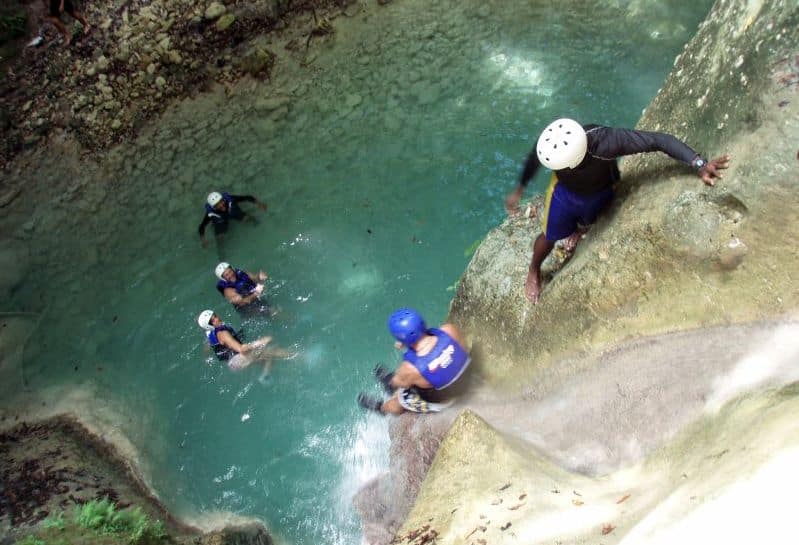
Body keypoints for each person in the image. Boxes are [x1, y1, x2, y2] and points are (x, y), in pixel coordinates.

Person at [504, 118, 731, 304]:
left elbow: (657, 140)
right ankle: (534, 269)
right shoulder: (555, 142)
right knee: (550, 235)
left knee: (589, 219)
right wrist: (519, 188)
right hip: (565, 194)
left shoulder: (606, 141)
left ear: (572, 161)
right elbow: (536, 155)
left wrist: (699, 164)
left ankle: (579, 229)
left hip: (602, 188)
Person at [357, 308, 471, 415]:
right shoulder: (449, 330)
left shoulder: (410, 368)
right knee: (418, 378)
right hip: (467, 380)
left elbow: (398, 382)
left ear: (400, 340)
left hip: (449, 399)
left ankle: (382, 409)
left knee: (401, 397)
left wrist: (407, 346)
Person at [197, 310, 293, 373]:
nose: (217, 319)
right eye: (212, 321)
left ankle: (266, 375)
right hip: (239, 359)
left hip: (232, 363)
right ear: (209, 325)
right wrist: (260, 342)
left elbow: (208, 346)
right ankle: (302, 357)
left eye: (215, 316)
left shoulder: (210, 333)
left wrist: (206, 359)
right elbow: (241, 349)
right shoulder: (223, 333)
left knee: (266, 357)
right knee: (273, 351)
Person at [198, 191, 267, 247]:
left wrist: (259, 203)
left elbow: (246, 197)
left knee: (248, 219)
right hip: (221, 220)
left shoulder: (230, 199)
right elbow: (202, 226)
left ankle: (259, 224)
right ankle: (222, 256)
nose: (221, 206)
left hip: (233, 212)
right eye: (217, 205)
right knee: (220, 240)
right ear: (213, 207)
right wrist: (203, 240)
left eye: (221, 201)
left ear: (223, 199)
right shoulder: (210, 213)